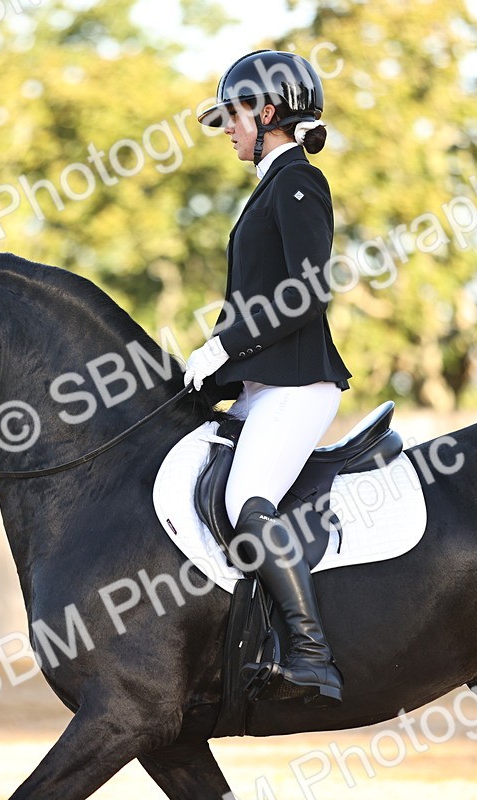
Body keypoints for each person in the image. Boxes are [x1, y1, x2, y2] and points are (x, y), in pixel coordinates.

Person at [184, 50, 352, 706]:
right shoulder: (270, 188)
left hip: (298, 386)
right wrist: (209, 370)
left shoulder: (297, 183)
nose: (227, 128)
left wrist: (224, 345)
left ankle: (312, 653)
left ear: (269, 113)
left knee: (245, 497)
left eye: (233, 115)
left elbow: (305, 292)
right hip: (263, 386)